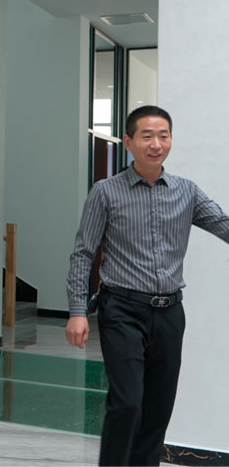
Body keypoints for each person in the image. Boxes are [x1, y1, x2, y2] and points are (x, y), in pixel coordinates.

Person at [66, 105, 229, 466]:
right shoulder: (105, 192)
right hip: (121, 310)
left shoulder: (186, 191)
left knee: (158, 407)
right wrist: (77, 311)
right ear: (128, 142)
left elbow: (223, 224)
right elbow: (83, 253)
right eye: (147, 136)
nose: (156, 144)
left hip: (170, 313)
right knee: (127, 402)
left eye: (163, 136)